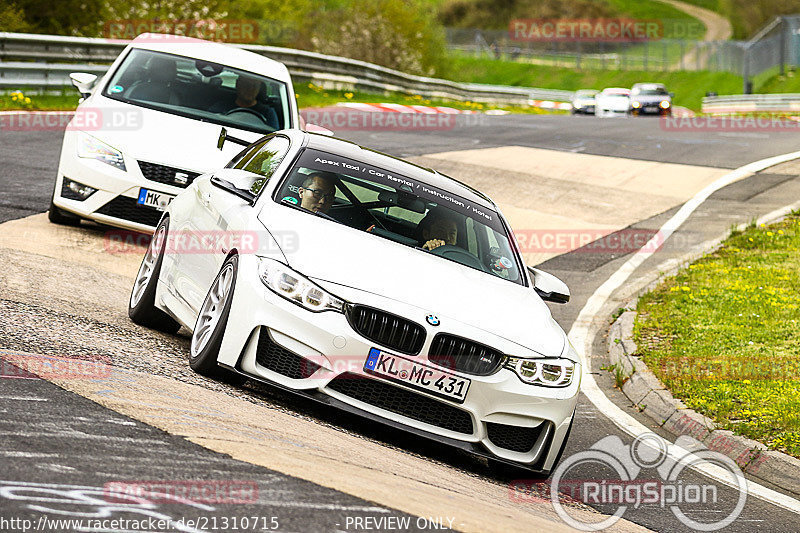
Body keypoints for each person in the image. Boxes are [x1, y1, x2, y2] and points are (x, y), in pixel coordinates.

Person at [210, 74, 277, 127]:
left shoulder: (268, 113)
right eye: (246, 84)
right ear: (238, 85)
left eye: (254, 85)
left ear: (259, 88)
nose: (250, 89)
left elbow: (274, 137)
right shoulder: (221, 106)